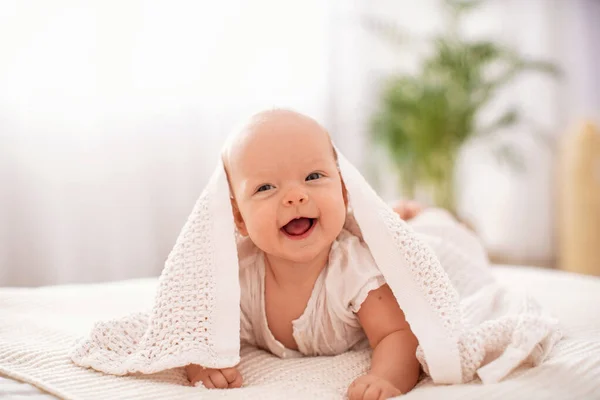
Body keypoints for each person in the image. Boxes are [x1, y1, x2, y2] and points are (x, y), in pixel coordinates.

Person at [186, 109, 427, 399]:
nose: (295, 196)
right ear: (239, 218)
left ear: (344, 193)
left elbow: (397, 334)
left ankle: (416, 215)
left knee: (435, 233)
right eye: (265, 187)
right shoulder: (237, 275)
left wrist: (384, 378)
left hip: (429, 239)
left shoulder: (352, 267)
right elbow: (194, 329)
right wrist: (201, 366)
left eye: (313, 176)